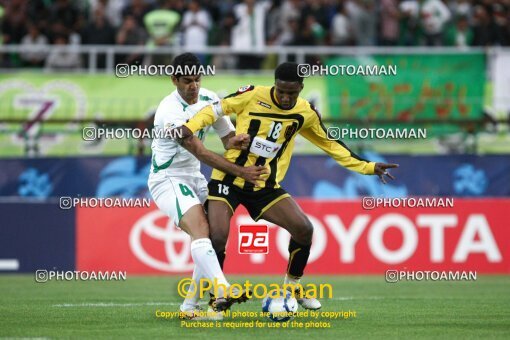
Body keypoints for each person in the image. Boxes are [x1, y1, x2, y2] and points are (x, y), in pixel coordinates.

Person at [175, 62, 398, 310]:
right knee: (216, 237)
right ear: (275, 85)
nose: (284, 97)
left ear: (301, 88)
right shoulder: (252, 95)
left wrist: (368, 167)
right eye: (280, 91)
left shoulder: (305, 113)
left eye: (291, 93)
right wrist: (190, 127)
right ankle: (217, 299)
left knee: (303, 229)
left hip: (264, 184)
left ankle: (292, 287)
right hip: (228, 178)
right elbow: (215, 110)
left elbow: (330, 144)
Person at [147, 53, 267, 319]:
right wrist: (241, 172)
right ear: (174, 80)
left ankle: (189, 307)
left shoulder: (210, 98)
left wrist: (240, 140)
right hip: (168, 179)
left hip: (194, 176)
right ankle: (223, 289)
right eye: (187, 81)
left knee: (213, 235)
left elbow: (227, 138)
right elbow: (200, 152)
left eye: (198, 79)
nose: (194, 86)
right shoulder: (170, 112)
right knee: (200, 228)